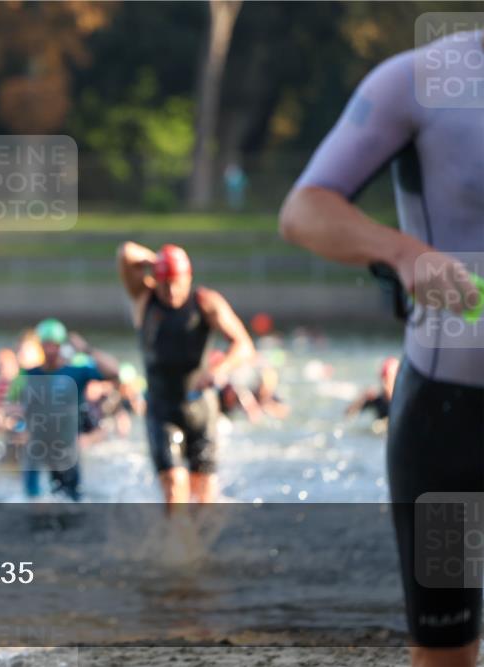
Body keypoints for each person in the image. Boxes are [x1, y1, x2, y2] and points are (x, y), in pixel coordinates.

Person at [279, 30, 483, 667]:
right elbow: (303, 210)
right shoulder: (420, 79)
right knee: (447, 654)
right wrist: (404, 253)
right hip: (455, 420)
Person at [117, 242, 255, 506]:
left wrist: (219, 369)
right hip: (161, 409)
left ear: (188, 278)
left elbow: (243, 344)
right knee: (173, 489)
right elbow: (126, 254)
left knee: (203, 499)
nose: (170, 290)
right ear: (155, 279)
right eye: (164, 281)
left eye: (176, 282)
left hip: (201, 410)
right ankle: (174, 546)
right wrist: (157, 260)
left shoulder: (205, 302)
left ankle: (197, 546)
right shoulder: (144, 299)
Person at [11, 319, 119, 501]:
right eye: (46, 345)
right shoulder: (29, 374)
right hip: (37, 445)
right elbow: (14, 406)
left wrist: (87, 349)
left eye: (55, 345)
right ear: (40, 346)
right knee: (32, 500)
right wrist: (16, 425)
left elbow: (113, 371)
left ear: (62, 346)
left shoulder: (77, 372)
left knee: (71, 501)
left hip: (66, 447)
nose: (51, 350)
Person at [345, 356, 399, 421]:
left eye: (389, 379)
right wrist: (362, 399)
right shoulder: (377, 398)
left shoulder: (403, 400)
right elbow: (348, 413)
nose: (385, 384)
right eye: (383, 379)